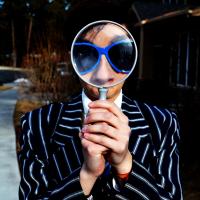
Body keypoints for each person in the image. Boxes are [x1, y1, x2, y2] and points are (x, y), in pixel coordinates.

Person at [18, 0, 183, 199]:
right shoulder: (38, 126)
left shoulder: (162, 124)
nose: (103, 74)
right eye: (87, 54)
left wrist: (125, 166)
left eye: (118, 53)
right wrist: (86, 175)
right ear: (72, 57)